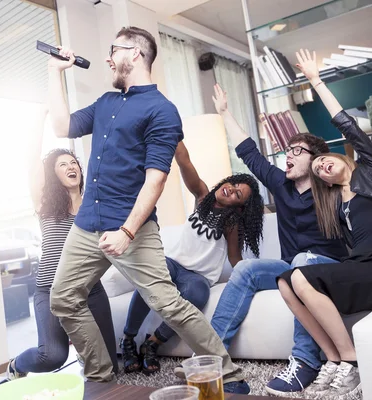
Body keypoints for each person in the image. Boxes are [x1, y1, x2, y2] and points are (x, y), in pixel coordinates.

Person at [47, 26, 249, 393]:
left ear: (135, 53)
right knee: (63, 297)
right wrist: (55, 73)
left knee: (168, 303)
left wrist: (126, 232)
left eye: (113, 50)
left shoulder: (162, 110)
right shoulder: (107, 103)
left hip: (132, 227)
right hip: (88, 225)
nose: (108, 57)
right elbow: (62, 126)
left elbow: (155, 180)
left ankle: (230, 376)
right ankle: (101, 376)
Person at [277, 49, 372, 398]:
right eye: (318, 171)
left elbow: (347, 125)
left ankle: (352, 362)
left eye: (323, 160)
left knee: (298, 275)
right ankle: (333, 359)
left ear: (338, 157)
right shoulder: (336, 205)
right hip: (360, 267)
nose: (321, 167)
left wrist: (316, 81)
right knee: (285, 280)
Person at [209, 83, 349, 395]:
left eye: (297, 151)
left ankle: (305, 361)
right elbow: (248, 152)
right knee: (246, 269)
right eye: (288, 149)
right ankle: (211, 357)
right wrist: (224, 112)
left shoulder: (331, 190)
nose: (288, 154)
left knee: (301, 263)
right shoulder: (280, 184)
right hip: (293, 268)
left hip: (329, 269)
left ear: (315, 160)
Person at [121, 141, 264, 375]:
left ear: (239, 207)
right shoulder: (202, 196)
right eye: (234, 183)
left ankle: (152, 344)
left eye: (238, 194)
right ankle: (127, 339)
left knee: (198, 293)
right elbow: (185, 162)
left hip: (197, 277)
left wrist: (251, 278)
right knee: (150, 275)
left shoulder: (231, 223)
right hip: (173, 263)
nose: (231, 188)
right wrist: (175, 136)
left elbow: (235, 258)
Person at [6, 108, 117, 380]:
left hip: (90, 290)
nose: (71, 167)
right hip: (50, 289)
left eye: (73, 163)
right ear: (53, 175)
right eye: (62, 165)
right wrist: (38, 118)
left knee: (111, 366)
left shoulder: (94, 203)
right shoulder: (45, 203)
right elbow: (31, 160)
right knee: (52, 356)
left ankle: (86, 352)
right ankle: (15, 366)